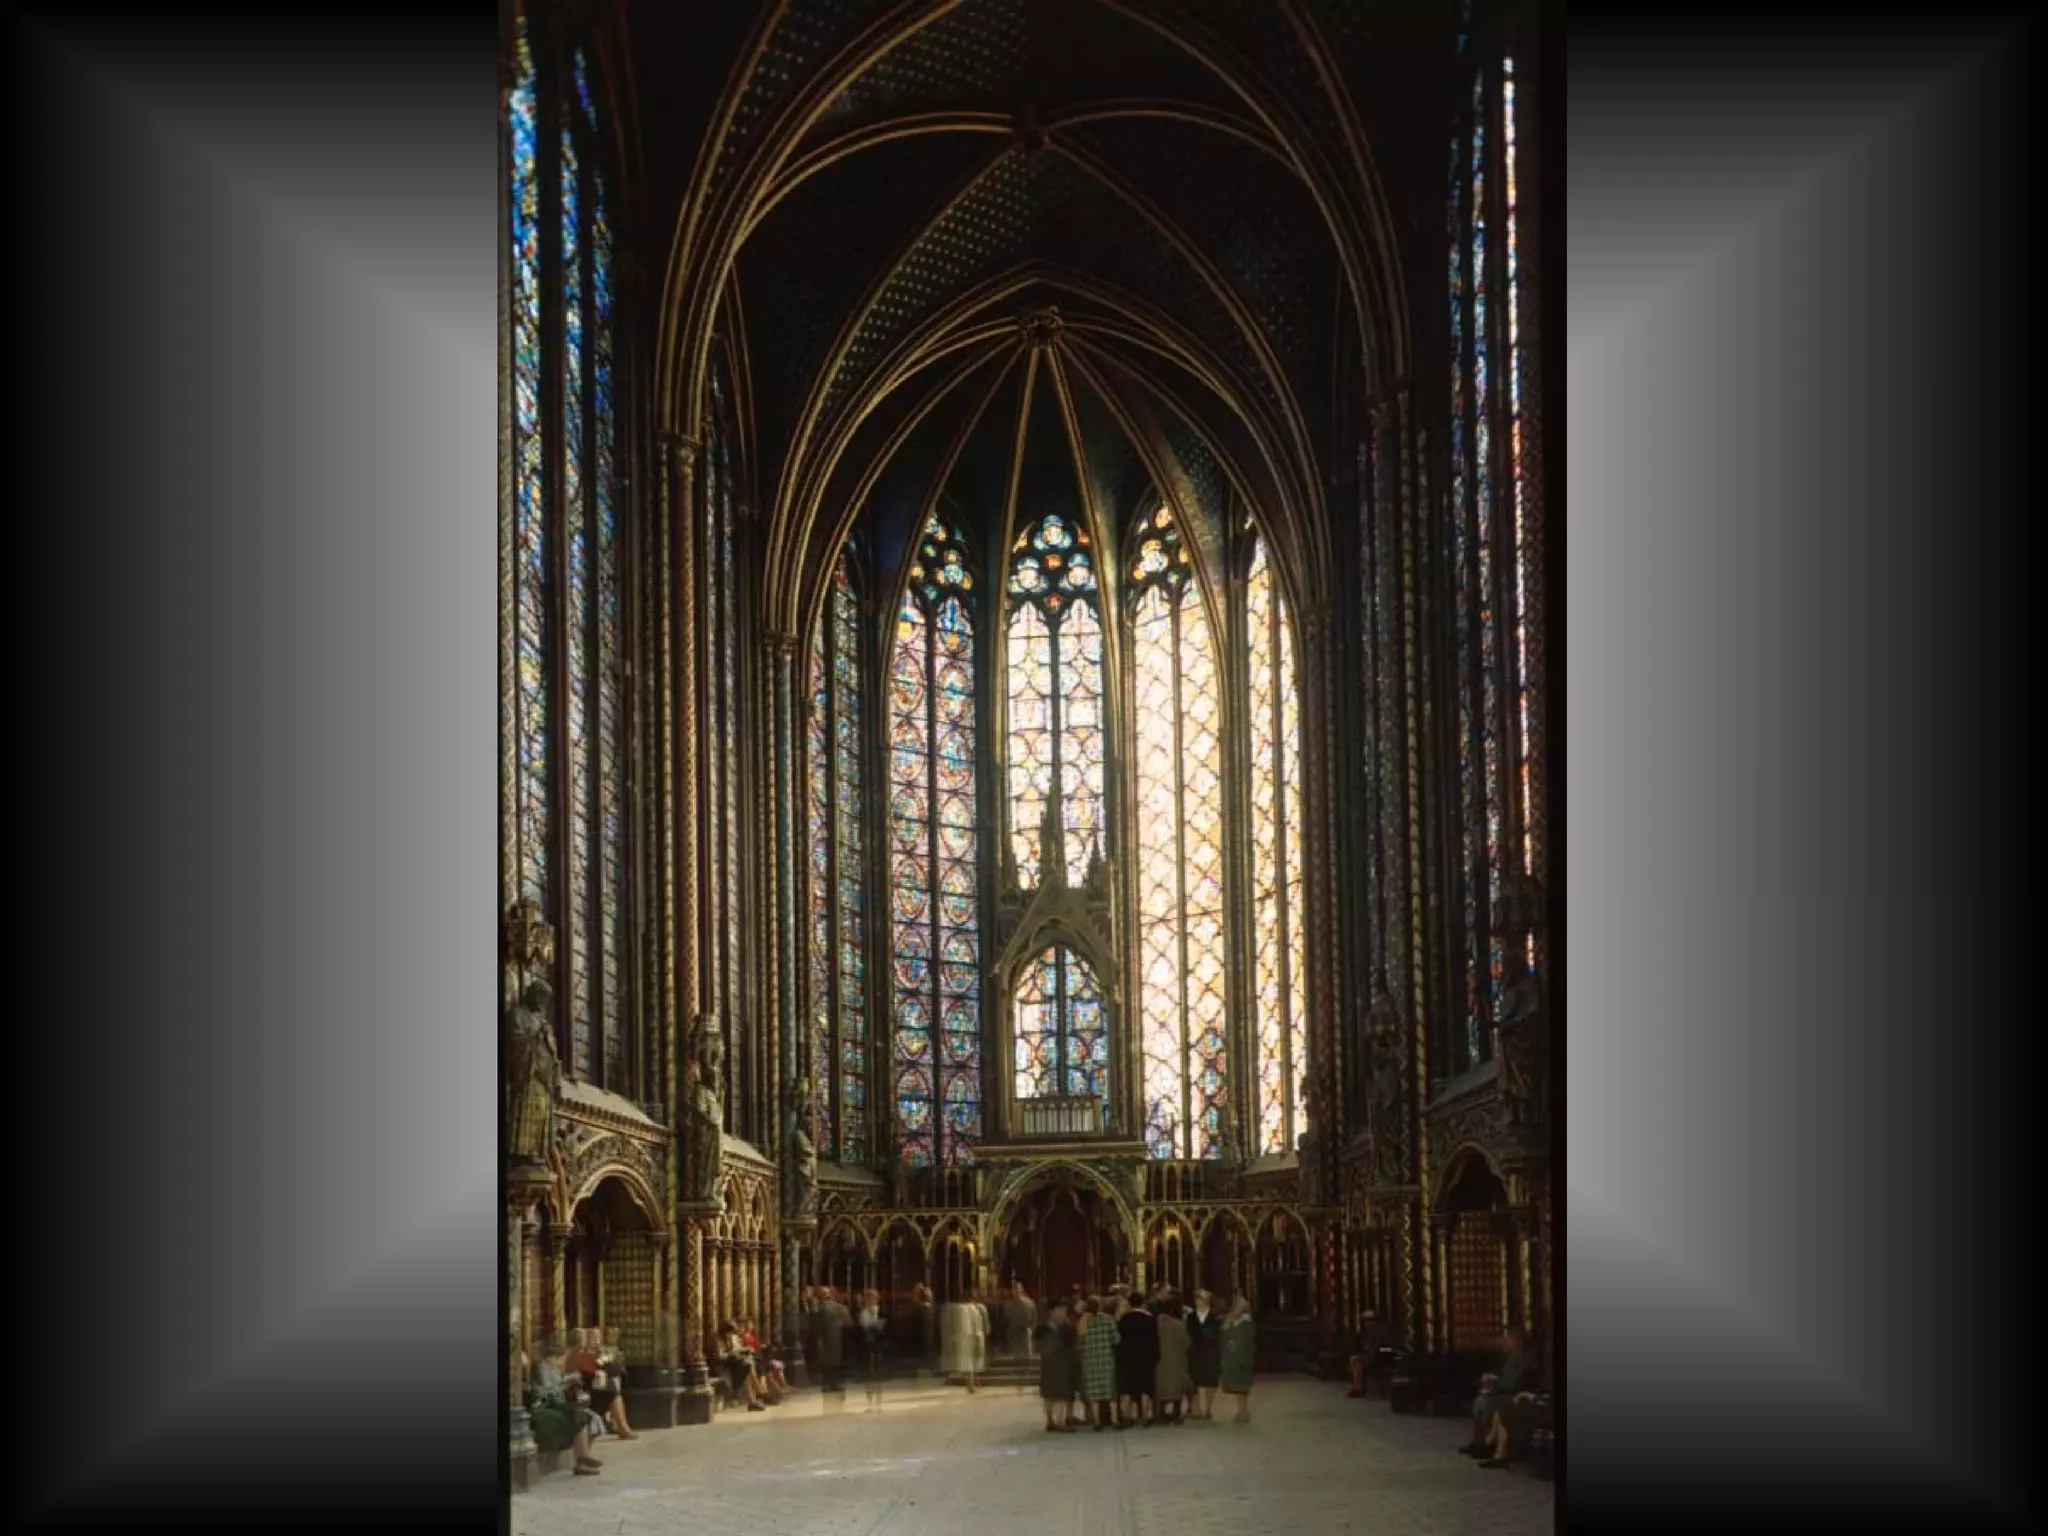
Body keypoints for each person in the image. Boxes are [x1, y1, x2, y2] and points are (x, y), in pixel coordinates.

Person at [528, 1337, 603, 1475]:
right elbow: (549, 1393)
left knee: (586, 1417)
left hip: (557, 1404)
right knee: (579, 1417)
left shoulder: (553, 1368)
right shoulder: (544, 1368)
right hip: (546, 1408)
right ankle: (582, 1459)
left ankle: (583, 1458)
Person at [1462, 1327, 1536, 1457]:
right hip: (1501, 1391)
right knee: (1480, 1401)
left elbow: (1511, 1384)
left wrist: (1494, 1380)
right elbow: (1500, 1375)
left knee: (1491, 1404)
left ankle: (1488, 1444)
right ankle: (1479, 1441)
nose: (1503, 1342)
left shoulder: (1520, 1361)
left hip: (1511, 1393)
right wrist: (1491, 1379)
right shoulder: (1508, 1357)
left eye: (1506, 1339)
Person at [1115, 1291, 1159, 1427]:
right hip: (1145, 1358)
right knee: (1145, 1389)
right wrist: (1155, 1357)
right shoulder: (1150, 1320)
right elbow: (1155, 1341)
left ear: (1129, 1303)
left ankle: (1127, 1416)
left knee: (1127, 1389)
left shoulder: (1124, 1320)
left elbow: (1119, 1339)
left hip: (1127, 1358)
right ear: (1143, 1304)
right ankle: (1145, 1417)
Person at [1034, 1299, 1079, 1432]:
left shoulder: (1065, 1328)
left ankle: (1056, 1421)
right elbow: (1039, 1346)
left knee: (1059, 1393)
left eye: (1064, 1311)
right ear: (1051, 1312)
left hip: (1062, 1363)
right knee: (1050, 1394)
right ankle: (1053, 1422)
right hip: (1050, 1363)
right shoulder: (1043, 1329)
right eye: (1060, 1311)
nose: (1063, 1314)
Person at [1076, 1296, 1119, 1430]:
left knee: (1094, 1393)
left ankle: (1097, 1421)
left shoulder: (1083, 1322)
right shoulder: (1108, 1319)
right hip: (1106, 1359)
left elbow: (1080, 1344)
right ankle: (1114, 1420)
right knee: (1110, 1392)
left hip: (1090, 1361)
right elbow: (1116, 1339)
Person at [1218, 1296, 1256, 1423]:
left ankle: (1243, 1411)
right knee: (1238, 1388)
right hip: (1233, 1358)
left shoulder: (1246, 1323)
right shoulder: (1234, 1321)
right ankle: (1241, 1411)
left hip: (1242, 1358)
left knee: (1242, 1388)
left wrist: (1235, 1345)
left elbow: (1246, 1341)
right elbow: (1224, 1335)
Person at [1185, 1289, 1222, 1420]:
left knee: (1211, 1382)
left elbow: (1219, 1335)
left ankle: (1208, 1410)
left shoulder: (1215, 1317)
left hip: (1211, 1353)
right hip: (1195, 1353)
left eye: (1202, 1299)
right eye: (1197, 1299)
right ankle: (1199, 1410)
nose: (1199, 1302)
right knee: (1197, 1382)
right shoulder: (1190, 1317)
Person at [1154, 1298, 1192, 1425]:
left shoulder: (1157, 1323)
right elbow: (1187, 1343)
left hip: (1161, 1360)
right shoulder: (1180, 1325)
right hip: (1177, 1361)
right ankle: (1176, 1411)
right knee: (1176, 1387)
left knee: (1161, 1386)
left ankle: (1160, 1412)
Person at [815, 1287, 849, 1394]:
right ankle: (830, 1384)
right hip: (827, 1336)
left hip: (832, 1336)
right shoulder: (824, 1308)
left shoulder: (833, 1307)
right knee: (829, 1360)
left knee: (832, 1360)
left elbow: (846, 1320)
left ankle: (832, 1383)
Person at [856, 1289, 886, 1409]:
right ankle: (868, 1390)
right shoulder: (861, 1313)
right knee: (867, 1364)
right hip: (866, 1343)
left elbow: (888, 1327)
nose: (870, 1300)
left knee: (879, 1363)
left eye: (872, 1298)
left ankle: (879, 1387)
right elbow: (859, 1329)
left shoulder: (883, 1312)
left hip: (878, 1343)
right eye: (868, 1298)